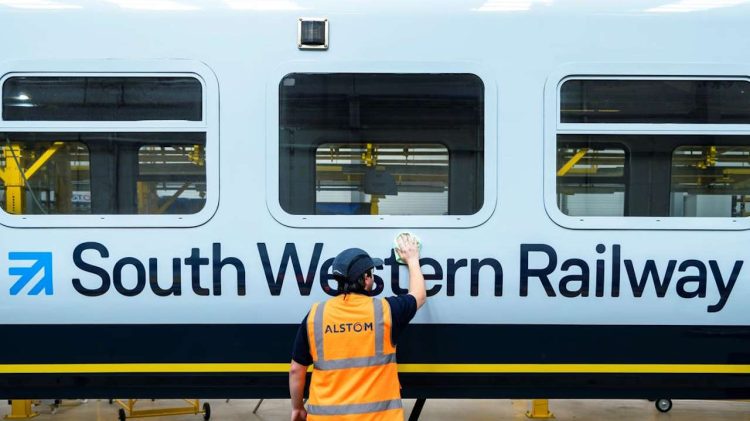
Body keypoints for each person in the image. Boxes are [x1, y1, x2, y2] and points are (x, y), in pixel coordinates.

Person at [289, 233, 426, 421]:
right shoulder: (386, 311)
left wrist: (297, 408)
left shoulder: (316, 315)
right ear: (366, 278)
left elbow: (296, 369)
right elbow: (419, 295)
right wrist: (412, 259)